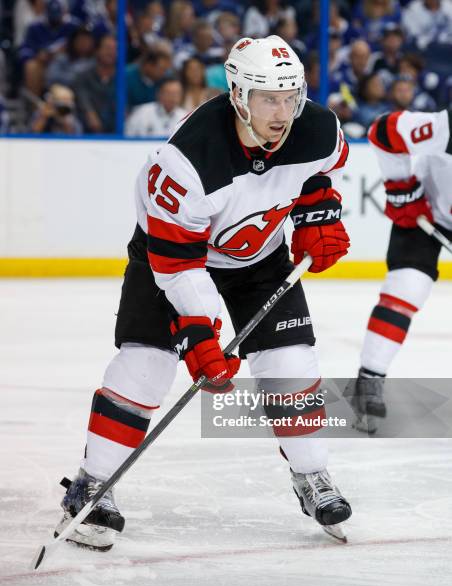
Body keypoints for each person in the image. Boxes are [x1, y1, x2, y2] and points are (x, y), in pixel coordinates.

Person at [55, 35, 352, 550]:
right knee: (144, 366)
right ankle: (91, 484)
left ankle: (312, 475)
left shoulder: (319, 128)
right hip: (170, 261)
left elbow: (317, 175)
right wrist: (200, 333)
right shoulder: (187, 160)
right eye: (267, 99)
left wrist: (316, 213)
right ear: (238, 95)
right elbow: (178, 266)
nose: (282, 112)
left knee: (293, 364)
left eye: (290, 96)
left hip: (259, 261)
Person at [350, 109, 452, 433]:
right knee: (406, 288)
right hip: (427, 212)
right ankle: (369, 378)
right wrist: (401, 187)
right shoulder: (445, 127)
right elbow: (384, 132)